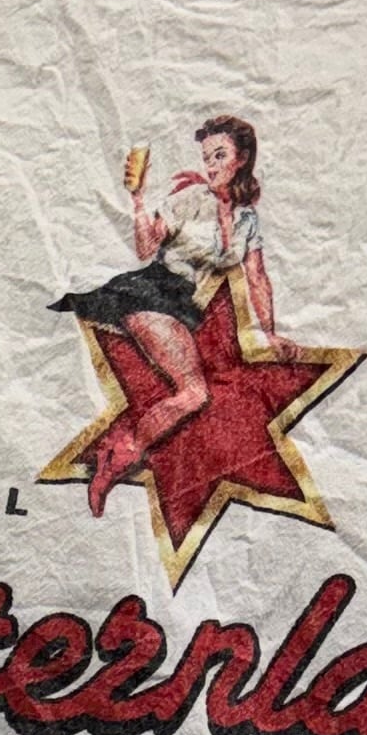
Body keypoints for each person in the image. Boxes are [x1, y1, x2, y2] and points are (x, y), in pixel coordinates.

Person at [51, 115, 297, 518]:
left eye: (220, 155)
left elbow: (257, 276)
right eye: (207, 157)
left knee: (196, 395)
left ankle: (118, 452)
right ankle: (115, 461)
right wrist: (137, 200)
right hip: (152, 292)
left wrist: (269, 333)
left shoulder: (247, 220)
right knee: (194, 394)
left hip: (183, 306)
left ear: (242, 158)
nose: (211, 165)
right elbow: (147, 248)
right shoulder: (189, 200)